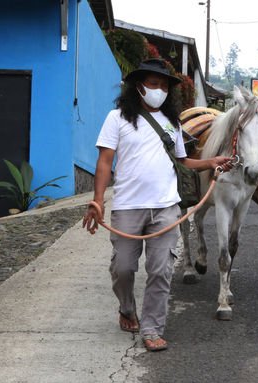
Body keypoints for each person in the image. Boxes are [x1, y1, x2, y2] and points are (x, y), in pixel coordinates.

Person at [82, 58, 233, 352]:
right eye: (154, 84)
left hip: (166, 207)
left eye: (164, 86)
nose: (159, 90)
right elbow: (104, 162)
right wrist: (97, 201)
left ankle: (152, 328)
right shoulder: (117, 119)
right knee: (123, 268)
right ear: (138, 87)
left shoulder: (171, 123)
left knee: (161, 270)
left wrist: (210, 162)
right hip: (128, 207)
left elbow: (182, 160)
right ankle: (127, 308)